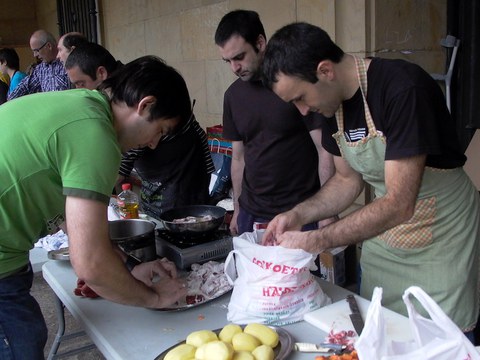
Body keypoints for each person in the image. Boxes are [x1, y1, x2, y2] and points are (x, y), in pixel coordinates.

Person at [262, 22, 480, 336]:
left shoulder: (402, 88)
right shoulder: (329, 107)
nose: (302, 110)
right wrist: (298, 215)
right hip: (386, 238)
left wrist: (317, 239)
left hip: (442, 236)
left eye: (300, 97)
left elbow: (399, 203)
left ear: (325, 71)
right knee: (380, 330)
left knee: (440, 338)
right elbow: (346, 181)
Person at [0, 56, 191, 359]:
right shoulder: (96, 136)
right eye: (160, 130)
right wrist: (155, 298)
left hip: (8, 260)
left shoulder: (83, 106)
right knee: (20, 342)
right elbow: (90, 264)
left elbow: (77, 227)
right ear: (145, 106)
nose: (154, 144)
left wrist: (129, 268)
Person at [214, 10, 336, 235]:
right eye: (228, 61)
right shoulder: (232, 96)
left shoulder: (295, 84)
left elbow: (324, 150)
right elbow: (238, 158)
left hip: (301, 211)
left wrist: (326, 211)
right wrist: (239, 209)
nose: (234, 68)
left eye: (239, 57)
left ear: (260, 43)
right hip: (252, 213)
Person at [65, 42, 215, 219]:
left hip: (182, 177)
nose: (152, 144)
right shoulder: (100, 116)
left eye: (80, 83)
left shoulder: (130, 101)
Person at [7, 29, 70, 100]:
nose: (35, 55)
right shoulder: (40, 69)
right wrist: (8, 102)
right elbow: (25, 86)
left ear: (49, 46)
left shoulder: (67, 63)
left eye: (36, 51)